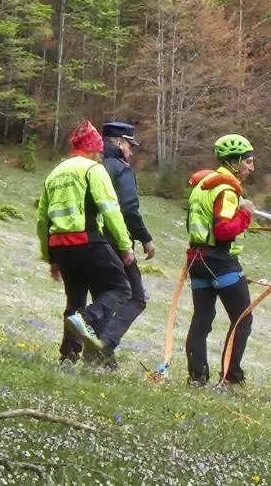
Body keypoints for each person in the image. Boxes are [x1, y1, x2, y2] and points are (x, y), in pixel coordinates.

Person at [36, 120, 134, 362]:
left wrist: (50, 258)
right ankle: (87, 320)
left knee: (75, 299)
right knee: (121, 288)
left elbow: (42, 219)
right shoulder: (93, 169)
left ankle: (68, 357)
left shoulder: (55, 172)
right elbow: (110, 210)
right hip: (88, 240)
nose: (101, 156)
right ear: (93, 149)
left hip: (60, 246)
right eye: (99, 151)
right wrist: (125, 245)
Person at [184, 134, 255, 387]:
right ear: (234, 162)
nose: (251, 167)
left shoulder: (203, 185)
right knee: (242, 318)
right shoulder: (226, 190)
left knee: (201, 319)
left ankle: (196, 376)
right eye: (248, 161)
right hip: (220, 261)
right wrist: (246, 214)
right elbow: (224, 230)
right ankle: (230, 378)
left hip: (197, 261)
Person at [97, 121, 155, 368]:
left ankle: (102, 357)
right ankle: (103, 345)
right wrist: (145, 238)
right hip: (116, 240)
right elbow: (130, 208)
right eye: (130, 145)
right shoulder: (121, 169)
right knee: (135, 297)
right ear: (119, 143)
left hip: (91, 240)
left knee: (107, 295)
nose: (131, 151)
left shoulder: (94, 165)